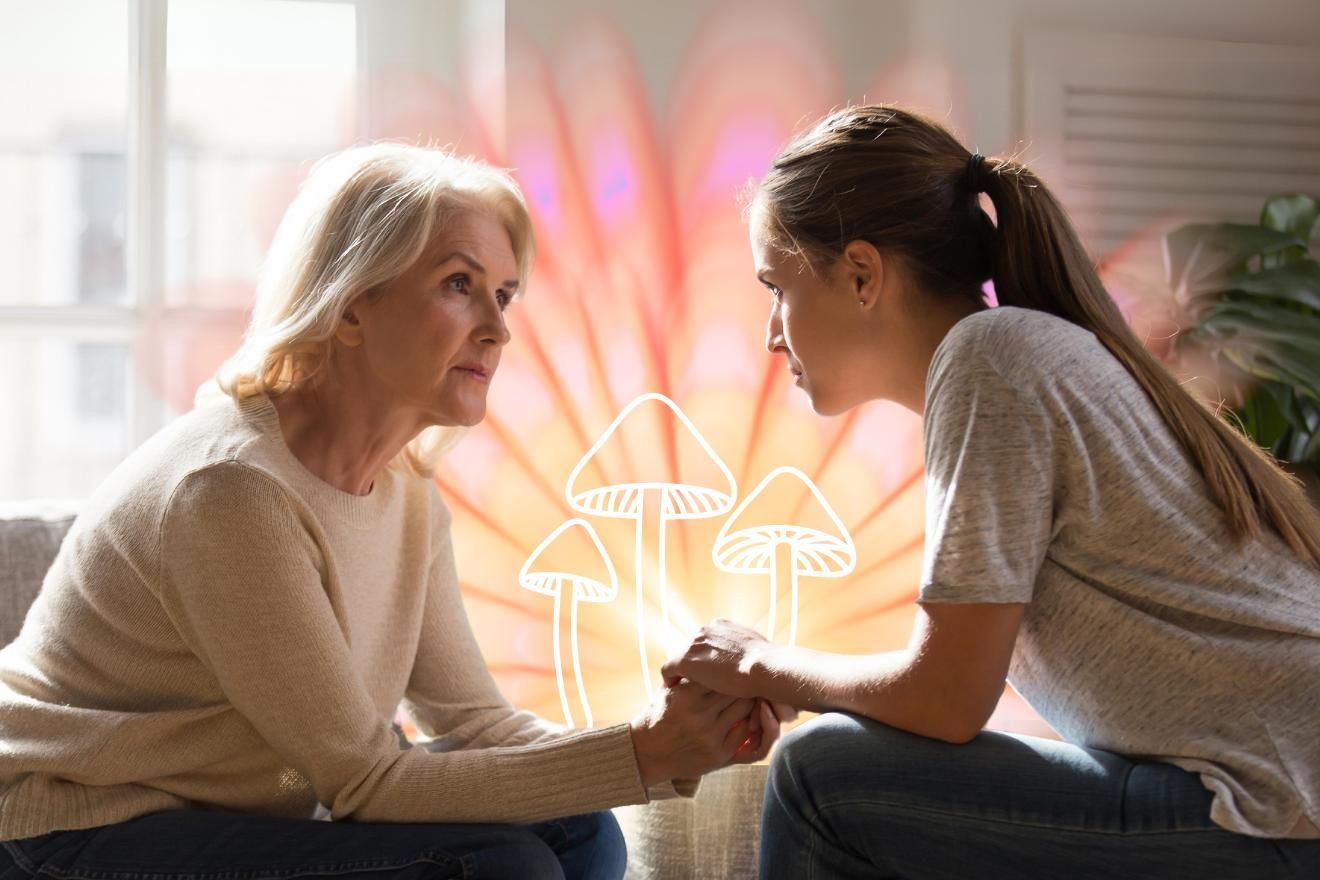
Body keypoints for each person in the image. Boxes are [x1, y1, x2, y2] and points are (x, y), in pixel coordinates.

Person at [0, 143, 786, 880]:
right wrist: (645, 753)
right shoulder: (230, 491)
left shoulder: (405, 492)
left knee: (579, 829)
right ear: (349, 308)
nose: (499, 328)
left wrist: (665, 744)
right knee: (502, 867)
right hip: (75, 824)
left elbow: (478, 724)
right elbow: (365, 781)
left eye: (503, 294)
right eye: (459, 284)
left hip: (234, 809)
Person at [662, 105, 1320, 879]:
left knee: (821, 777)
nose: (773, 331)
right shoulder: (1017, 355)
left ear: (863, 274)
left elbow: (945, 698)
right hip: (1271, 799)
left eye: (776, 286)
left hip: (1272, 811)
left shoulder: (990, 361)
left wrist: (761, 667)